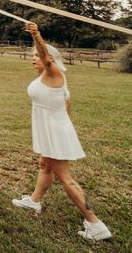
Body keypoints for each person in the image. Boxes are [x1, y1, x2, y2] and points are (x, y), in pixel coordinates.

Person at [11, 22, 111, 241]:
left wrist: (36, 35)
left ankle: (95, 223)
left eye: (36, 55)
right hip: (52, 129)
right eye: (32, 55)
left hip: (55, 132)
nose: (33, 58)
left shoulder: (53, 72)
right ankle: (34, 200)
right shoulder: (48, 79)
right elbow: (67, 106)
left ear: (49, 58)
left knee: (65, 178)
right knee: (44, 164)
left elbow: (45, 56)